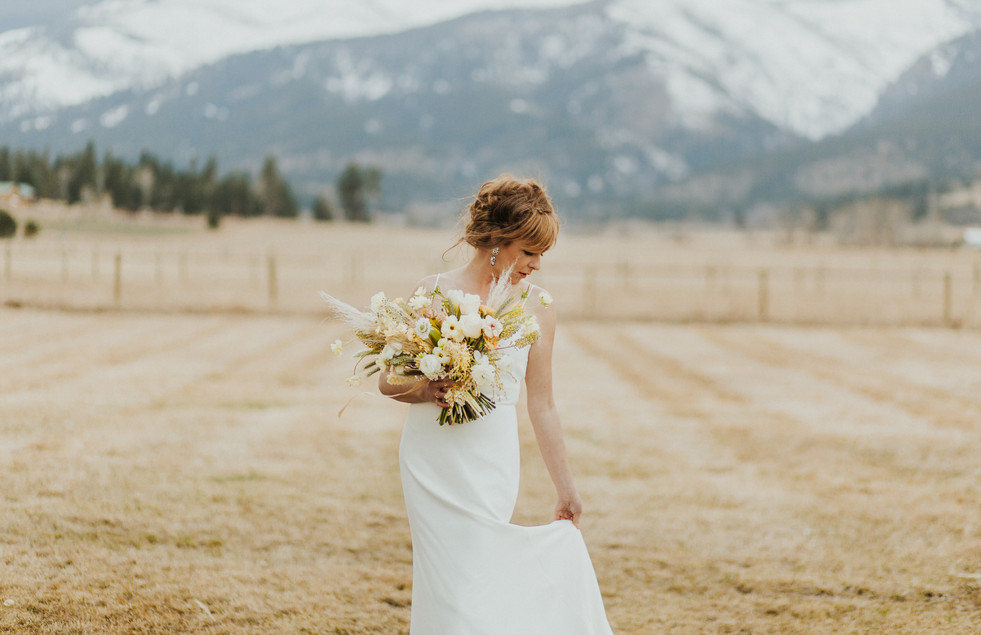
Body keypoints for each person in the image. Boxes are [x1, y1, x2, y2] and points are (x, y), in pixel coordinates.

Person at [378, 174, 614, 634]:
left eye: (542, 253)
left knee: (479, 577)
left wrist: (566, 489)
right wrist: (426, 390)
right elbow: (388, 380)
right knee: (448, 585)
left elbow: (542, 405)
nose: (538, 264)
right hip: (431, 459)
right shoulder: (433, 291)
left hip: (490, 460)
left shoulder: (538, 305)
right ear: (494, 240)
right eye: (529, 251)